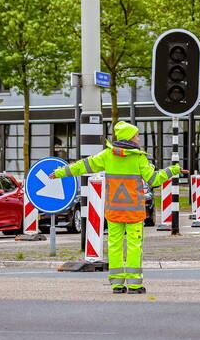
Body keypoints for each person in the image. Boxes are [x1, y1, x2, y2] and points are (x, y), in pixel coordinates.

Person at [50, 120, 181, 294]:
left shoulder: (106, 155)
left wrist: (60, 173)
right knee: (134, 246)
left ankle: (117, 285)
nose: (139, 137)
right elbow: (154, 180)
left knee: (114, 245)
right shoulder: (138, 158)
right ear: (129, 137)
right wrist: (172, 171)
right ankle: (134, 285)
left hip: (113, 210)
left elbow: (82, 166)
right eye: (136, 134)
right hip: (134, 210)